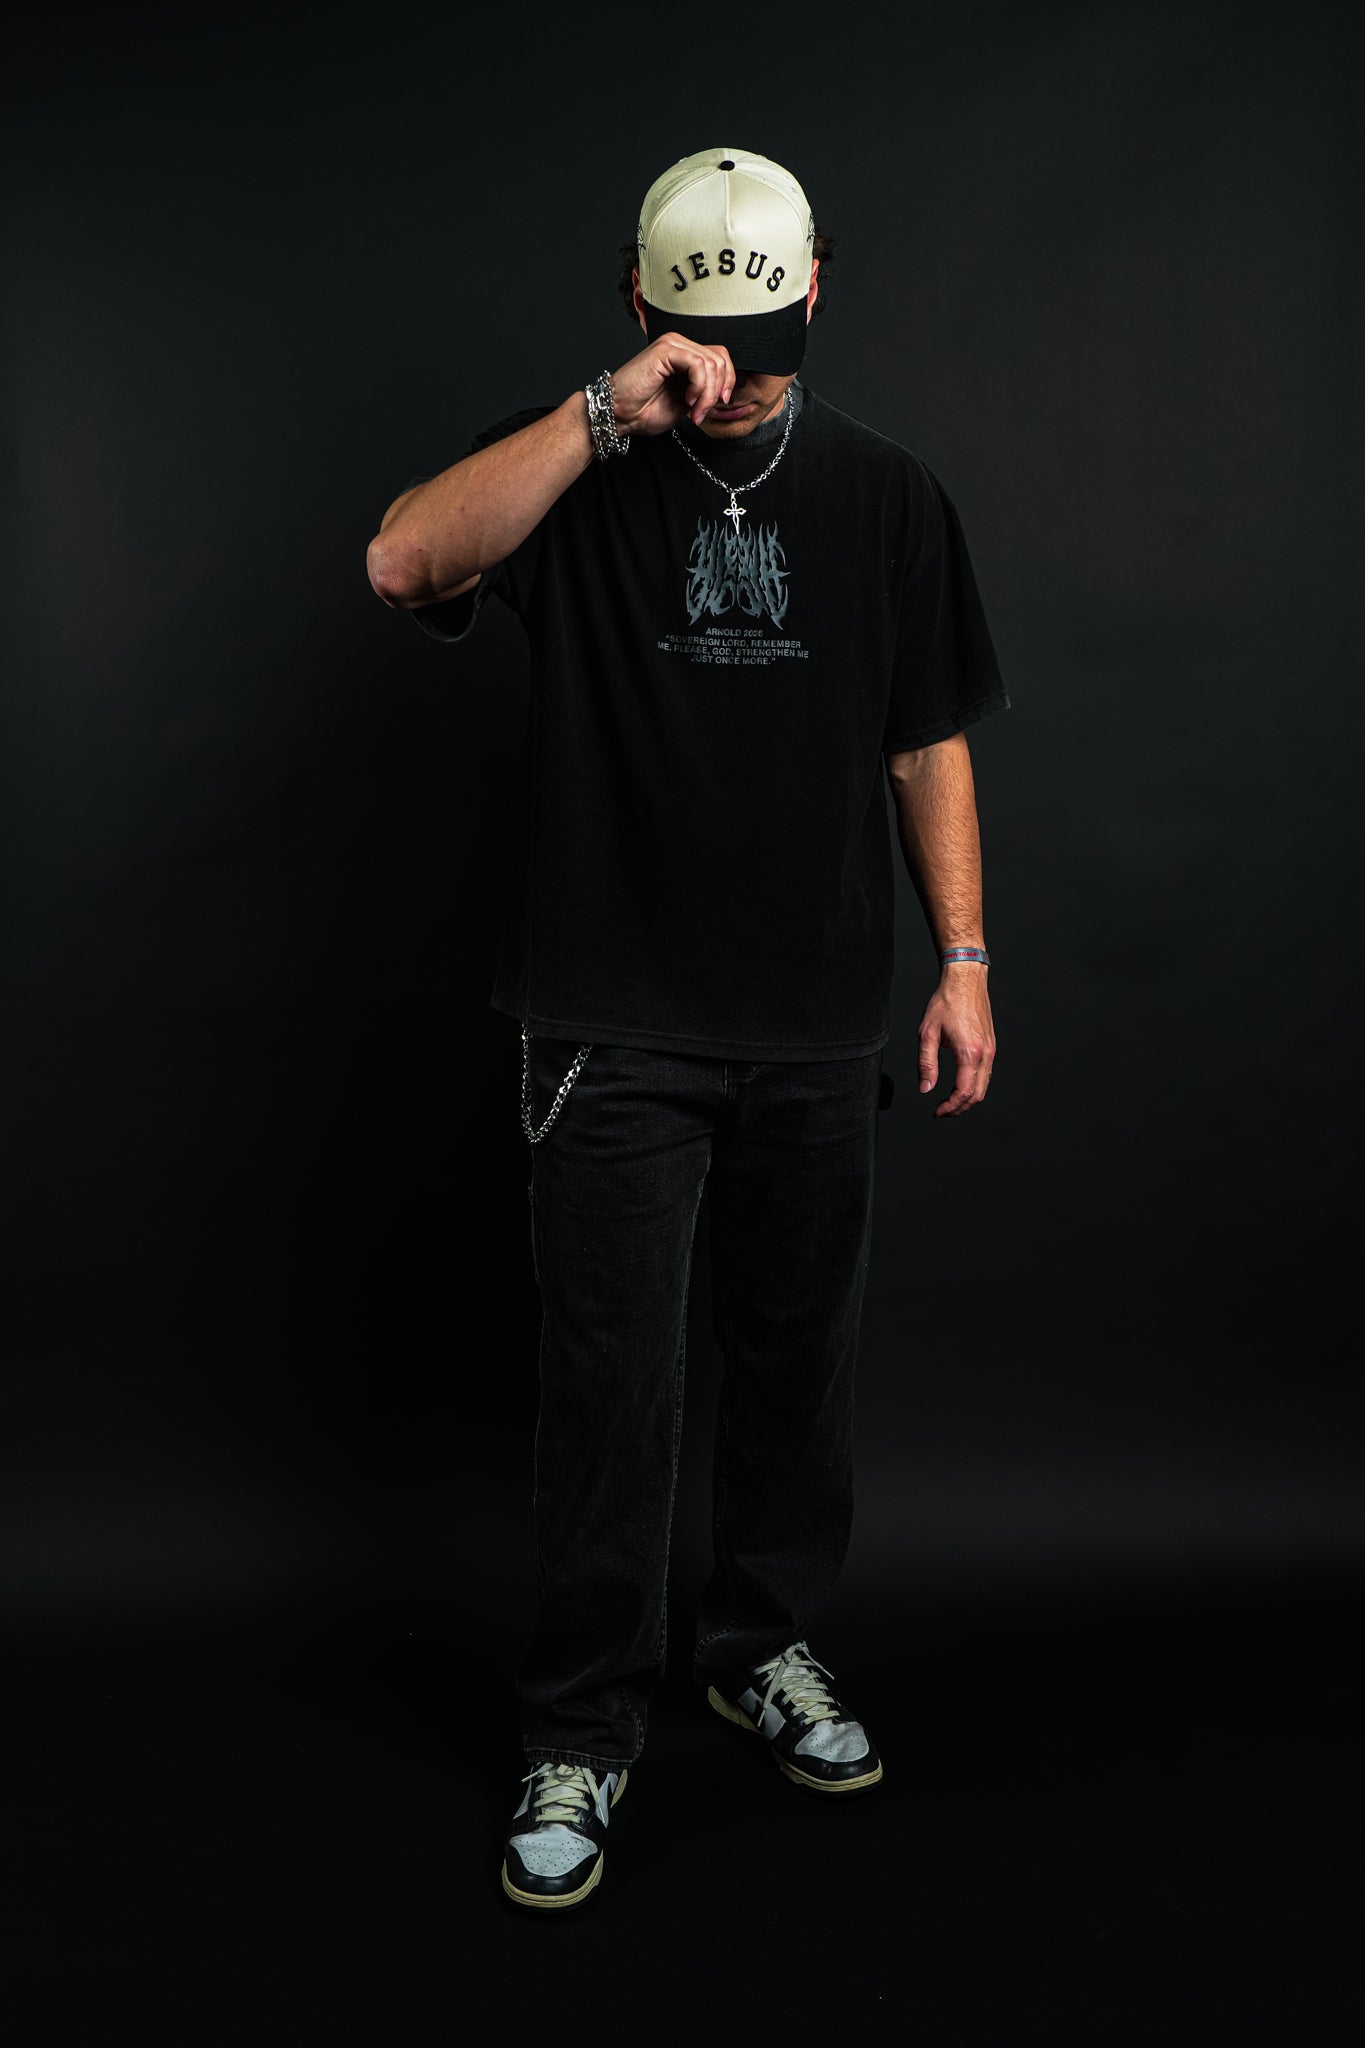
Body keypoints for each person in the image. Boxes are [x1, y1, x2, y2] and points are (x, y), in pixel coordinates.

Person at [366, 146, 1011, 1912]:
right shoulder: (570, 466)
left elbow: (924, 738)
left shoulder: (887, 494)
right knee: (610, 1391)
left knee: (795, 1374)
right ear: (642, 306)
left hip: (814, 1017)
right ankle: (578, 1727)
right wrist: (603, 415)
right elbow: (403, 559)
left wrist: (961, 959)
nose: (739, 383)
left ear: (818, 294)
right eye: (710, 346)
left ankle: (758, 1645)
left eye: (767, 347)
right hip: (607, 1022)